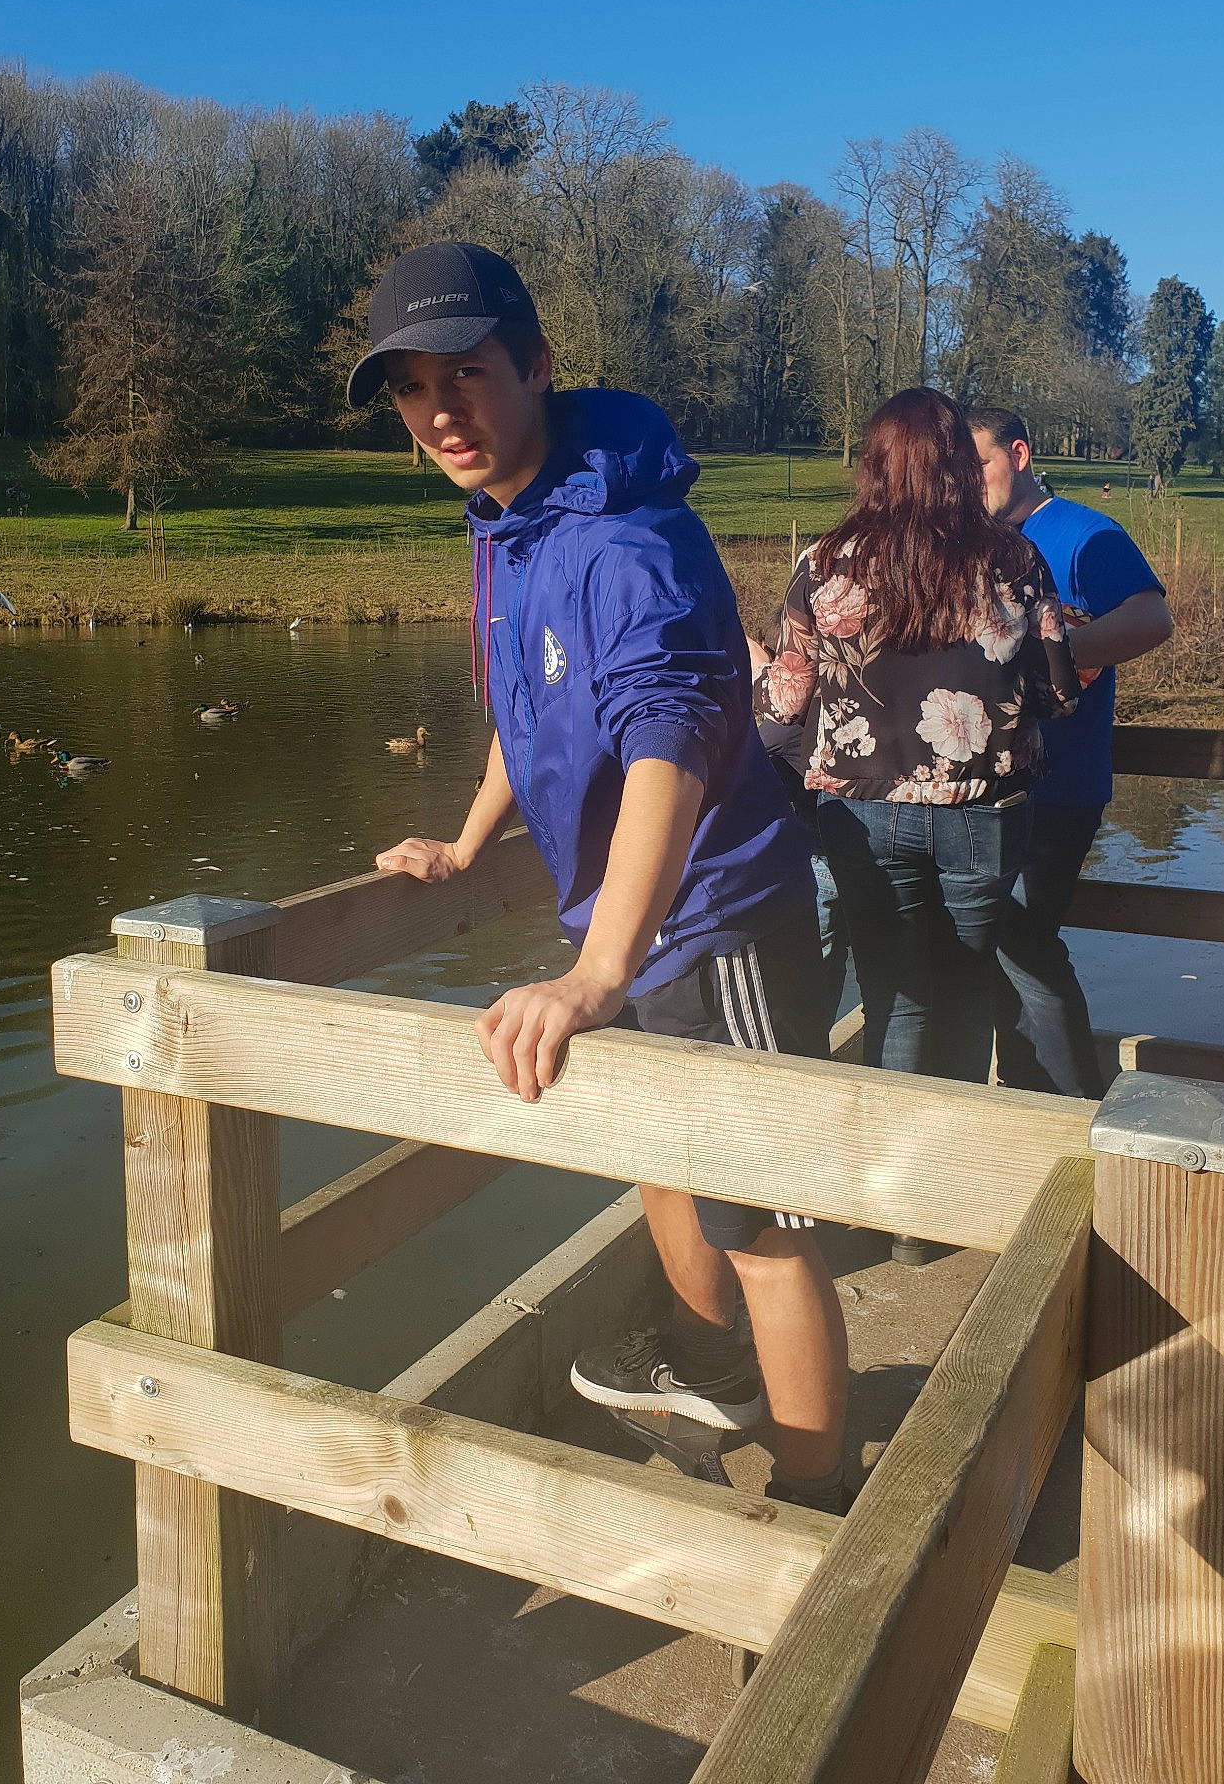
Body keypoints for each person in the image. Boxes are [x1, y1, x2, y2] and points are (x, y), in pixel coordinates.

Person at [358, 241, 850, 1513]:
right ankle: (720, 1371)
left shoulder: (626, 539)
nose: (441, 413)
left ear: (536, 364)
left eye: (466, 372)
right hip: (632, 923)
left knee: (766, 1224)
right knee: (663, 1156)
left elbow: (668, 739)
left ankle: (818, 1493)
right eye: (412, 388)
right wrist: (468, 843)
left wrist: (596, 968)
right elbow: (528, 711)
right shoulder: (511, 527)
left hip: (718, 915)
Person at [760, 388, 1080, 1086]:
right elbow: (1059, 696)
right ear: (959, 464)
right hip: (982, 811)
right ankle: (954, 1171)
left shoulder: (824, 564)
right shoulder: (1015, 560)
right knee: (966, 991)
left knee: (894, 1000)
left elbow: (784, 704)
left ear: (873, 466)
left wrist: (760, 672)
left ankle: (890, 1176)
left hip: (861, 812)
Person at [971, 407, 1172, 1097]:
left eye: (981, 464)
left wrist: (1053, 658)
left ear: (1019, 453)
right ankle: (1024, 1101)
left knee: (1022, 945)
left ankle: (1066, 1111)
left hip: (1057, 787)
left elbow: (1152, 617)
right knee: (994, 950)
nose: (970, 482)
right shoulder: (970, 542)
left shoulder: (1086, 534)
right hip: (978, 790)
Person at [746, 613, 848, 1029]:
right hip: (843, 856)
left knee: (812, 964)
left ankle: (808, 1048)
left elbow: (744, 759)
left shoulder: (782, 731)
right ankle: (818, 1035)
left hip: (817, 863)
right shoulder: (826, 719)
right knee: (834, 956)